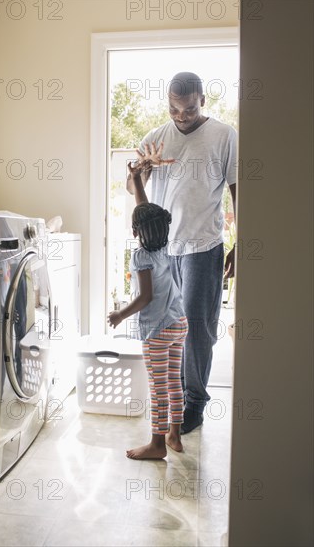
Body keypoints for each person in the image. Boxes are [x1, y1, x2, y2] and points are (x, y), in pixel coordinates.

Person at [127, 72, 237, 434]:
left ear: (202, 100)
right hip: (161, 250)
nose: (181, 115)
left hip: (204, 246)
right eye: (174, 109)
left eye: (188, 108)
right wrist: (141, 169)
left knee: (197, 328)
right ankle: (173, 401)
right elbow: (132, 185)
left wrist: (242, 243)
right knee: (167, 326)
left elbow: (238, 190)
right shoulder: (155, 139)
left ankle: (194, 404)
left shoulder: (224, 136)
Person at [107, 159, 188, 460]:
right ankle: (174, 436)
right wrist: (136, 181)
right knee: (173, 381)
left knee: (158, 388)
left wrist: (120, 315)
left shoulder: (142, 256)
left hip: (156, 331)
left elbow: (146, 297)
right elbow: (149, 213)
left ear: (135, 230)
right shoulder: (169, 246)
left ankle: (156, 444)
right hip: (179, 324)